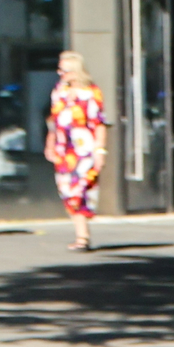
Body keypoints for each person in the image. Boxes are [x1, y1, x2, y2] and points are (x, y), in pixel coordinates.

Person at [43, 51, 111, 252]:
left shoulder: (91, 93)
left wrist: (100, 150)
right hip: (64, 150)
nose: (59, 73)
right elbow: (53, 121)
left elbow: (99, 123)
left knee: (78, 190)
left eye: (63, 70)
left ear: (75, 71)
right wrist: (50, 143)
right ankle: (81, 234)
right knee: (66, 191)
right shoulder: (59, 92)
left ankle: (83, 237)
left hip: (85, 150)